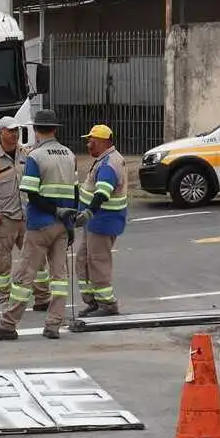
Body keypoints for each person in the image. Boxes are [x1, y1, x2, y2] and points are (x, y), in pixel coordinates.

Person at [0, 109, 76, 342]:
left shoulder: (35, 156)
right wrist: (69, 223)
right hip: (62, 226)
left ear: (35, 129)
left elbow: (31, 194)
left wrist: (53, 210)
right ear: (55, 128)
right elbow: (75, 192)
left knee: (23, 277)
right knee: (60, 276)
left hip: (40, 224)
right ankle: (54, 324)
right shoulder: (69, 154)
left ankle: (7, 324)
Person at [0, 115, 52, 311]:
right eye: (11, 131)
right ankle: (4, 300)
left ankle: (42, 297)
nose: (15, 134)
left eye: (16, 130)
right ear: (1, 133)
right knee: (1, 264)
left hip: (27, 217)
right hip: (4, 220)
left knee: (36, 259)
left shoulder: (27, 154)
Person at [75, 124, 129, 317]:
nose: (88, 144)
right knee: (83, 260)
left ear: (104, 142)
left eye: (92, 141)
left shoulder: (108, 164)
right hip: (96, 222)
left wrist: (88, 212)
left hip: (102, 221)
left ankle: (107, 304)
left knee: (97, 262)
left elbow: (102, 193)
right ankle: (93, 301)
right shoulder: (105, 159)